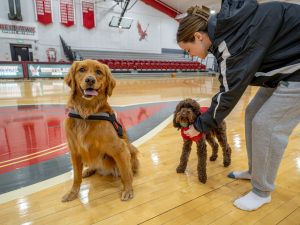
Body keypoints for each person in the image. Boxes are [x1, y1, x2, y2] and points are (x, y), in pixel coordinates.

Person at [177, 0, 300, 211]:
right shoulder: (226, 33)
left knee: (266, 125)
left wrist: (199, 126)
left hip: (296, 71)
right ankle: (255, 171)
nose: (190, 55)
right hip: (284, 69)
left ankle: (262, 192)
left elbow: (229, 93)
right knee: (252, 113)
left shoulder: (229, 41)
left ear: (198, 36)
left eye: (188, 50)